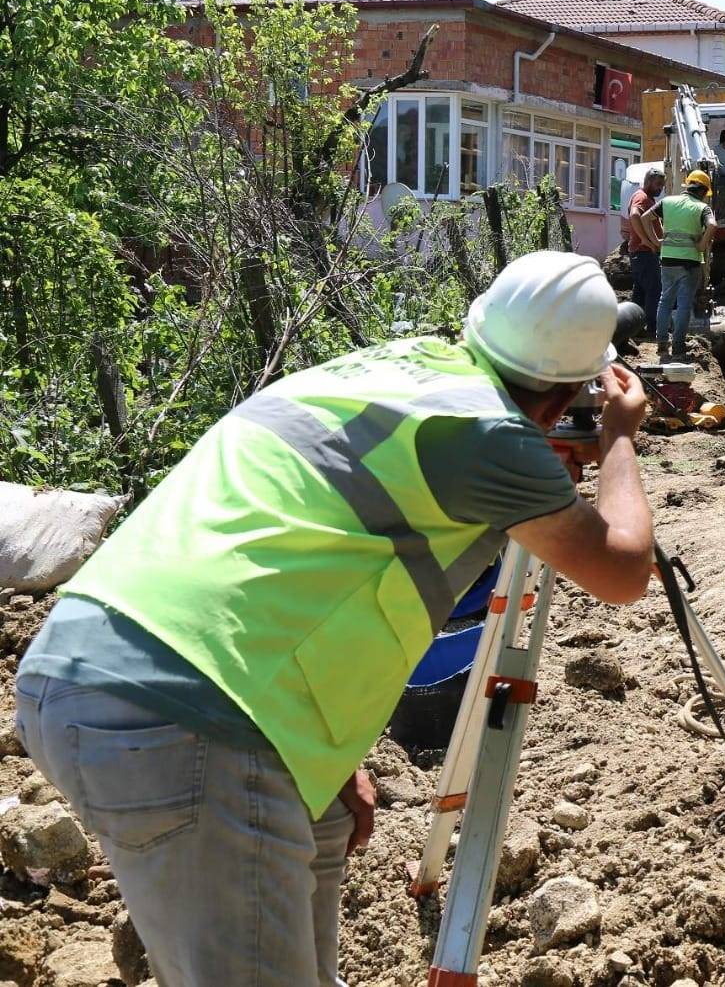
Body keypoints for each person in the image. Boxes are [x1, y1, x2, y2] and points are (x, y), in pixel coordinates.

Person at [11, 252, 654, 987]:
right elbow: (624, 568)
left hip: (86, 661)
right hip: (185, 719)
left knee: (312, 868)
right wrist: (620, 438)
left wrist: (324, 760)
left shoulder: (389, 368)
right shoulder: (489, 433)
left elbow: (290, 553)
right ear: (562, 394)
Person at [656, 170, 716, 361]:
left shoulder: (667, 202)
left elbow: (643, 218)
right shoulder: (702, 208)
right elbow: (713, 225)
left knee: (665, 301)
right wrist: (701, 244)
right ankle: (679, 346)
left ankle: (662, 343)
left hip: (667, 259)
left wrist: (653, 240)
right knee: (683, 305)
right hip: (689, 262)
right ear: (703, 191)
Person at [626, 169, 666, 336]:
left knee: (641, 293)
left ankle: (633, 329)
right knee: (654, 290)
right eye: (658, 185)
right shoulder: (641, 197)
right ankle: (652, 329)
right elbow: (635, 215)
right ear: (648, 181)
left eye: (662, 186)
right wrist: (645, 240)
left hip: (641, 253)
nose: (660, 189)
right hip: (643, 253)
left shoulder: (647, 198)